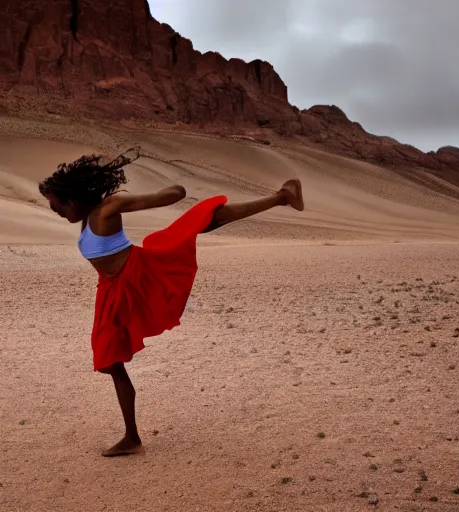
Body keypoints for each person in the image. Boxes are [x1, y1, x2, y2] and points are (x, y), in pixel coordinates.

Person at [39, 148, 304, 457]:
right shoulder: (86, 220)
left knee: (200, 221)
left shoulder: (109, 208)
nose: (57, 212)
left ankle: (281, 196)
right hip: (112, 289)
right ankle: (132, 437)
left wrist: (171, 191)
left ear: (73, 199)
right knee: (109, 360)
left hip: (139, 277)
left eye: (57, 207)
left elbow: (174, 193)